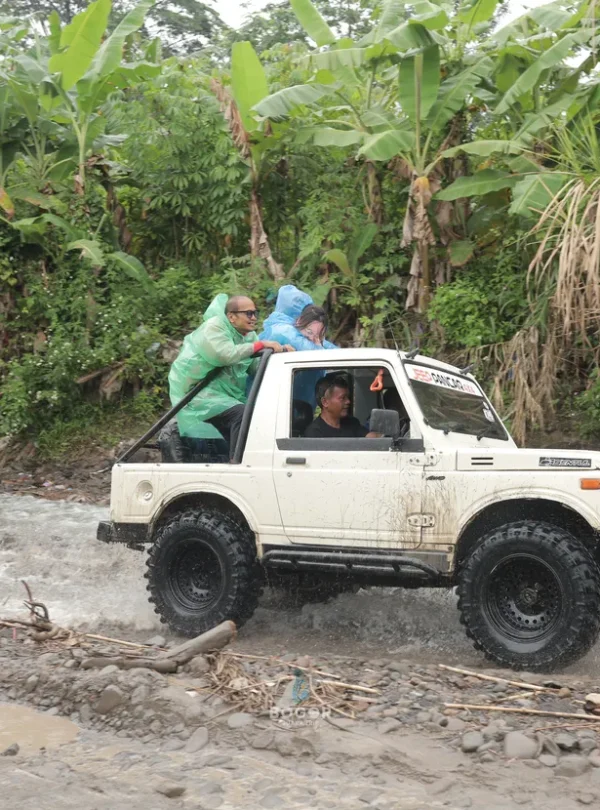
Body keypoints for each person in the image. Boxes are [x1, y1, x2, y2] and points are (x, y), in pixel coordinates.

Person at [168, 294, 291, 459]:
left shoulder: (248, 335)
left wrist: (281, 355)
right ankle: (238, 462)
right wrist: (260, 345)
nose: (254, 317)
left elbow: (254, 368)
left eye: (256, 313)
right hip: (197, 393)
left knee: (256, 415)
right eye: (249, 313)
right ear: (231, 316)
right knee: (241, 413)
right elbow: (224, 355)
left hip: (224, 395)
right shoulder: (214, 328)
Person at [259, 285, 337, 408]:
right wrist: (319, 344)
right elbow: (317, 353)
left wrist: (319, 341)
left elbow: (329, 348)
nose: (312, 338)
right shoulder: (283, 330)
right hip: (269, 403)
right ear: (300, 317)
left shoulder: (294, 328)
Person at [304, 374, 379, 439]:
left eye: (347, 397)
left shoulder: (352, 423)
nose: (348, 401)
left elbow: (371, 438)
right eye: (342, 398)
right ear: (325, 402)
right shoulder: (314, 433)